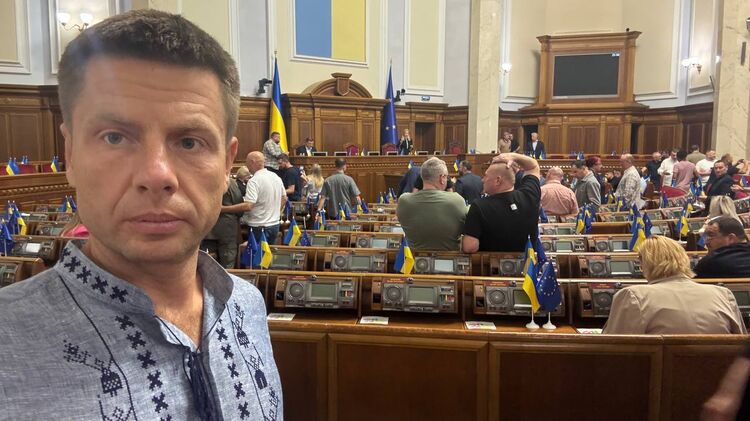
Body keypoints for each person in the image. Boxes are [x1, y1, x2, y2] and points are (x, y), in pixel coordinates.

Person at [0, 10, 282, 419]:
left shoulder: (248, 305)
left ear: (226, 163)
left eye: (189, 142)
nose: (157, 175)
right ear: (71, 155)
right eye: (115, 137)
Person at [603, 236, 746, 335]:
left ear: (645, 263)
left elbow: (612, 351)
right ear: (684, 259)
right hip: (719, 371)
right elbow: (740, 347)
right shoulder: (723, 294)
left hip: (657, 372)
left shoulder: (633, 296)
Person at [462, 153, 541, 252]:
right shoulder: (529, 195)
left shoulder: (479, 206)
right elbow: (533, 166)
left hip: (493, 261)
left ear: (498, 180)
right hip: (528, 261)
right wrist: (513, 156)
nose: (482, 180)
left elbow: (470, 247)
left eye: (485, 176)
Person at [397, 157, 467, 250]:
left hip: (414, 257)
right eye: (446, 177)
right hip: (449, 257)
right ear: (442, 178)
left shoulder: (404, 201)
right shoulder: (457, 200)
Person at [241, 151, 286, 245]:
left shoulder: (254, 181)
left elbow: (248, 206)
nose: (246, 165)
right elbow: (284, 198)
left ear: (252, 162)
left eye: (247, 162)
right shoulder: (275, 176)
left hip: (258, 225)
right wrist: (274, 212)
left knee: (257, 254)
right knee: (269, 253)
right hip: (274, 224)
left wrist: (225, 209)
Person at [202, 177, 244, 269]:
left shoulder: (202, 179)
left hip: (208, 226)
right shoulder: (228, 181)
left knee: (207, 259)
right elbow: (238, 202)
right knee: (228, 259)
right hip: (227, 226)